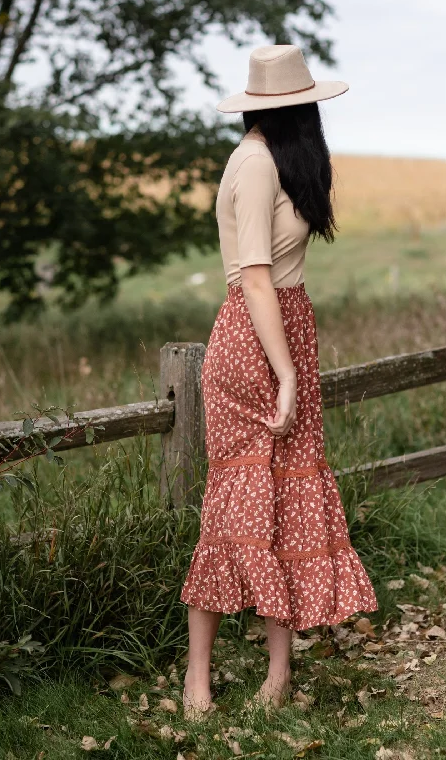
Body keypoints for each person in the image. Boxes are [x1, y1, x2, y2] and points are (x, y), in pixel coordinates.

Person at [180, 44, 378, 721]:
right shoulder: (257, 162)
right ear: (302, 106)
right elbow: (255, 278)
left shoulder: (273, 159)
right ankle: (197, 682)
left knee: (280, 508)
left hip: (279, 329)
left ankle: (276, 674)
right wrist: (287, 372)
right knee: (235, 511)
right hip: (256, 340)